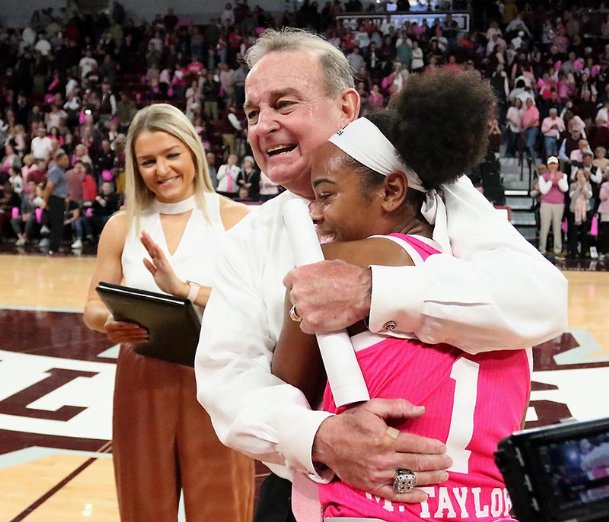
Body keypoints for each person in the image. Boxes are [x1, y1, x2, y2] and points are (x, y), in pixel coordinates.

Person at [195, 28, 567, 519]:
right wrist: (323, 438)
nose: (264, 126)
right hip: (320, 490)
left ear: (346, 108)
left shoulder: (443, 195)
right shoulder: (248, 239)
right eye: (252, 113)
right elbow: (227, 380)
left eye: (284, 105)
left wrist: (375, 291)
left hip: (448, 492)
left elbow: (542, 300)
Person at [272, 71, 529, 521]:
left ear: (391, 190)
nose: (314, 212)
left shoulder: (337, 264)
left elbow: (284, 390)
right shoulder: (506, 284)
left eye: (326, 195)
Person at [83, 104, 254, 522]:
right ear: (136, 167)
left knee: (222, 505)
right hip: (142, 371)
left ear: (192, 152)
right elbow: (91, 305)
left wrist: (186, 290)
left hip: (217, 371)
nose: (162, 169)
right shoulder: (122, 225)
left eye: (171, 155)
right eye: (148, 161)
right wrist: (110, 322)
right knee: (143, 503)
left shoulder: (238, 220)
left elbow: (258, 307)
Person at [41, 149, 70, 255]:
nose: (67, 161)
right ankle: (53, 249)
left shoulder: (61, 171)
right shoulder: (55, 171)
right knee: (56, 225)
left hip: (59, 200)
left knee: (58, 225)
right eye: (65, 159)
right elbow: (49, 187)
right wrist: (45, 201)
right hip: (55, 200)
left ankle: (55, 248)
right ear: (58, 160)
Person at [538, 156, 568, 257]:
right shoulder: (543, 177)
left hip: (558, 204)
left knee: (557, 227)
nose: (552, 166)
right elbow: (544, 190)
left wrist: (558, 179)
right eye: (551, 164)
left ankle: (557, 250)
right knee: (545, 227)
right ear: (548, 165)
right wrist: (551, 180)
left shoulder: (563, 176)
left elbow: (565, 188)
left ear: (557, 165)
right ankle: (542, 249)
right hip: (546, 203)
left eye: (554, 164)